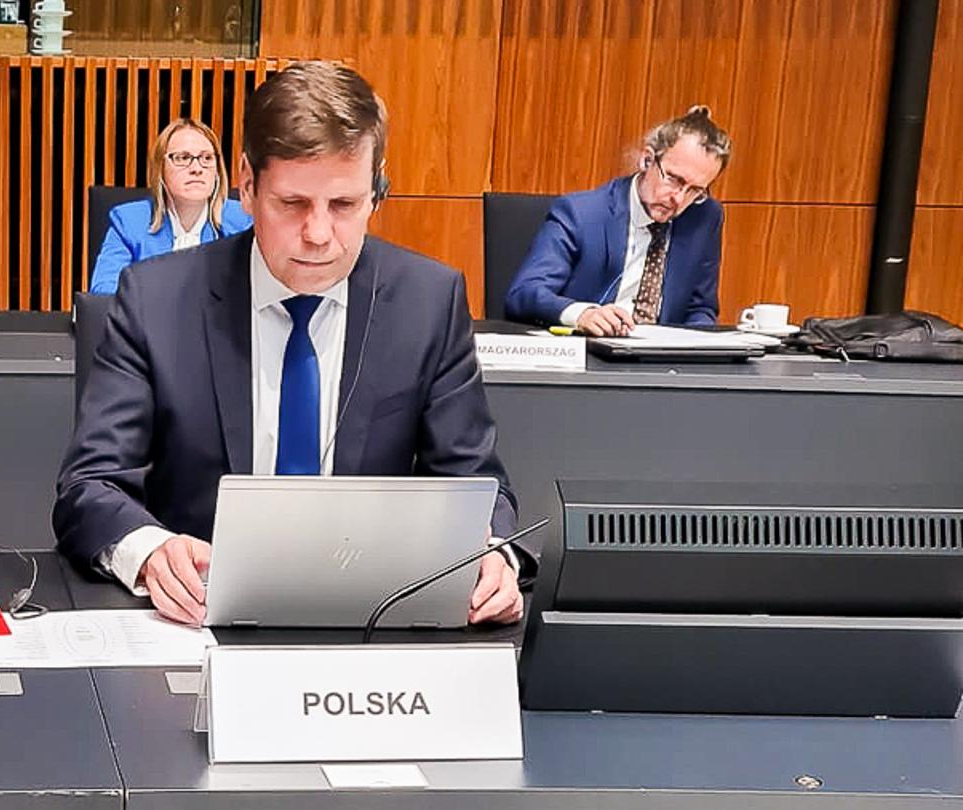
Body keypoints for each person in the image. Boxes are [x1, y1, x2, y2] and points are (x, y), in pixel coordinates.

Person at [54, 61, 525, 627]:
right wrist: (152, 552)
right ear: (247, 185)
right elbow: (90, 485)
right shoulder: (157, 300)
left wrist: (493, 555)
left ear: (376, 190)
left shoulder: (428, 301)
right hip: (197, 617)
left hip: (371, 617)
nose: (319, 234)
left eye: (345, 205)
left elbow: (476, 484)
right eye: (293, 204)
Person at [503, 107, 732, 336]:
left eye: (695, 190)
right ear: (647, 160)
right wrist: (582, 314)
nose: (679, 199)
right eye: (673, 179)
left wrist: (696, 346)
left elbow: (700, 308)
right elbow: (525, 292)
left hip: (663, 353)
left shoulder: (704, 217)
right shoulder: (581, 213)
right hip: (593, 348)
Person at [90, 119, 254, 294]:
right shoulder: (129, 222)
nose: (197, 168)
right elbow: (103, 291)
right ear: (160, 169)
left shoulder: (244, 221)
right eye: (183, 158)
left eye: (207, 158)